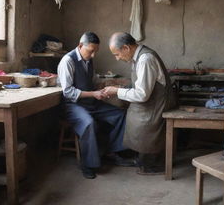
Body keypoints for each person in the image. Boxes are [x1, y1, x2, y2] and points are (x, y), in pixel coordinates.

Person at [57, 32, 134, 179]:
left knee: (120, 114)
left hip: (90, 103)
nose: (93, 55)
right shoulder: (68, 61)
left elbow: (92, 82)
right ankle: (87, 165)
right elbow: (68, 92)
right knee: (88, 123)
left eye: (95, 52)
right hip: (72, 106)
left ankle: (111, 151)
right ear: (80, 46)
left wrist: (106, 87)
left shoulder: (89, 60)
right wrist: (94, 94)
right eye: (90, 51)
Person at [103, 32, 173, 174]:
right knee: (129, 114)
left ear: (126, 48)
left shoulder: (145, 59)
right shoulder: (138, 57)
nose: (117, 58)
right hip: (151, 100)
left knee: (141, 122)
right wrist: (121, 88)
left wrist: (116, 91)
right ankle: (142, 158)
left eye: (117, 54)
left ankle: (151, 164)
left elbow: (141, 95)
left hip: (158, 104)